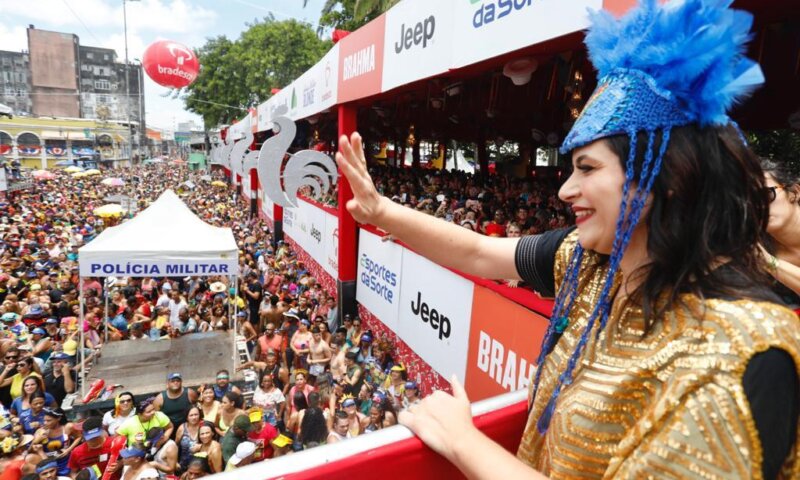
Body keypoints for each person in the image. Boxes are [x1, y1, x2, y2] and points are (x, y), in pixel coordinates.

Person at [336, 0, 800, 478]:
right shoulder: (588, 264)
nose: (564, 190)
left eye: (588, 168)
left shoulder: (744, 351)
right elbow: (478, 253)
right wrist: (380, 211)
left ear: (667, 177)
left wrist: (462, 442)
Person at [760, 158, 800, 305]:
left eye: (767, 194)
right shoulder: (754, 251)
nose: (759, 206)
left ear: (794, 192)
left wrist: (769, 262)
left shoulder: (762, 256)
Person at [175, 406, 202, 473]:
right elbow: (175, 446)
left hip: (200, 466)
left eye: (196, 414)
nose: (194, 417)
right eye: (191, 415)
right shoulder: (182, 428)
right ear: (187, 417)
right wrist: (175, 462)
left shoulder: (204, 426)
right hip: (183, 466)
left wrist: (201, 446)